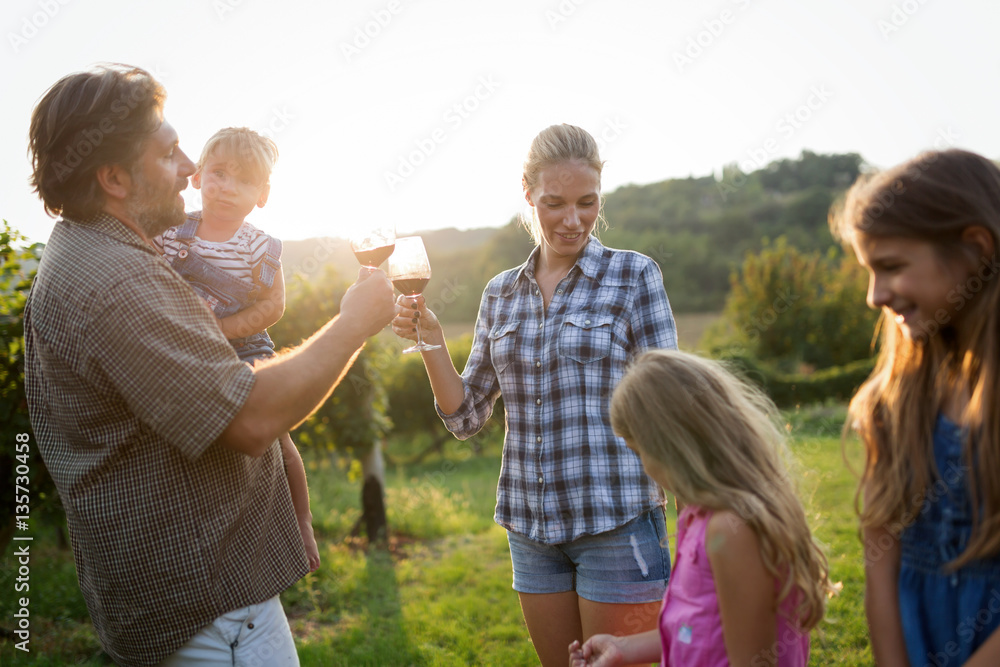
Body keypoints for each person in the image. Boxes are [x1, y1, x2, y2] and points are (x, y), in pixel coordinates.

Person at [24, 64, 395, 666]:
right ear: (114, 177)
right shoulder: (118, 282)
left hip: (215, 598)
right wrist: (354, 323)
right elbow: (250, 420)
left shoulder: (99, 251)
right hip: (204, 613)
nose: (192, 170)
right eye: (171, 154)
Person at [391, 123, 677, 666]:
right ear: (528, 195)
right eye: (555, 203)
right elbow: (466, 413)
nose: (573, 219)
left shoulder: (634, 276)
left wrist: (695, 519)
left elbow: (673, 409)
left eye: (587, 202)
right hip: (531, 529)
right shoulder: (500, 292)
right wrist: (429, 338)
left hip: (617, 523)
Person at [829, 148, 1000, 666]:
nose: (874, 296)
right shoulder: (896, 397)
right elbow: (880, 553)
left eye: (892, 267)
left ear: (976, 248)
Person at [570, 349, 832, 666]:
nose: (644, 467)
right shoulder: (700, 517)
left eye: (639, 452)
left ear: (674, 446)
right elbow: (693, 630)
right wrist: (622, 647)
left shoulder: (732, 530)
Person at [153, 127, 320, 572]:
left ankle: (301, 521)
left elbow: (273, 305)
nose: (227, 187)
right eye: (219, 173)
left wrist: (223, 328)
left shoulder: (259, 248)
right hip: (182, 348)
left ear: (262, 194)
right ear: (198, 176)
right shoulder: (170, 231)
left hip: (243, 349)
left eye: (243, 180)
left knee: (278, 440)